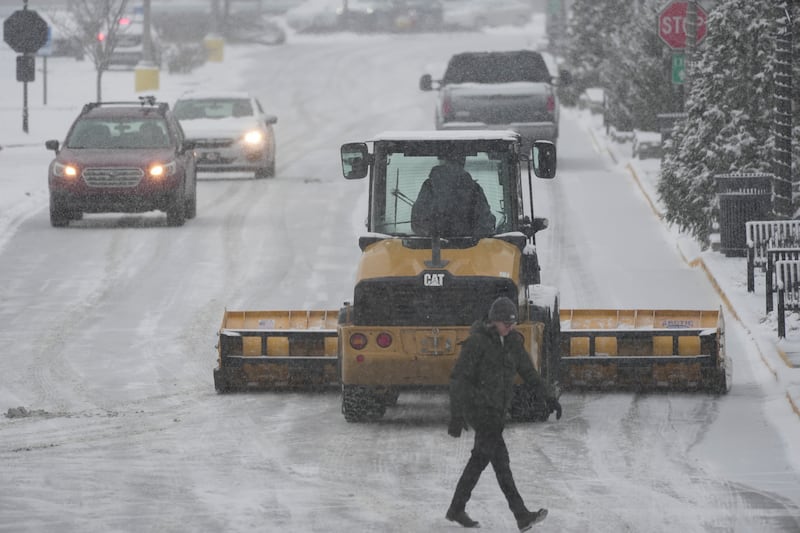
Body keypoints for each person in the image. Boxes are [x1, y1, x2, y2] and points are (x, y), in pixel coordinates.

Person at [445, 296, 562, 531]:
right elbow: (459, 379)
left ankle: (457, 509)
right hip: (480, 410)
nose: (510, 327)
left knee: (482, 461)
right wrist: (456, 415)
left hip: (498, 411)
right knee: (500, 464)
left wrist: (549, 396)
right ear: (493, 321)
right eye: (506, 323)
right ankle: (520, 515)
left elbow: (529, 373)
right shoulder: (477, 343)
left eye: (512, 323)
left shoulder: (513, 344)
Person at [410, 153, 496, 237]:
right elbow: (485, 224)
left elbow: (418, 221)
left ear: (444, 160)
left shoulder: (429, 186)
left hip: (431, 248)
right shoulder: (474, 189)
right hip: (471, 249)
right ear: (463, 162)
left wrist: (435, 234)